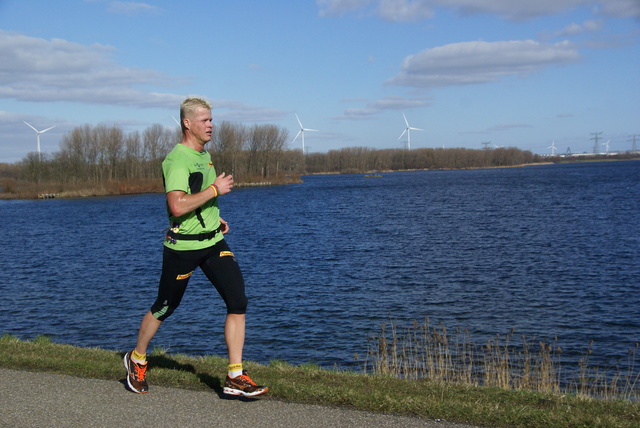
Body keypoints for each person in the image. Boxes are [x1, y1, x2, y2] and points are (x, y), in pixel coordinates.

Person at [124, 97, 267, 397]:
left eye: (212, 119)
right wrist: (215, 189)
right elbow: (176, 205)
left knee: (238, 300)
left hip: (213, 241)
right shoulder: (177, 159)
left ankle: (235, 376)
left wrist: (215, 217)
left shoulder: (205, 155)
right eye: (204, 120)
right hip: (183, 247)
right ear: (188, 123)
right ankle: (137, 359)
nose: (211, 125)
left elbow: (199, 198)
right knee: (165, 306)